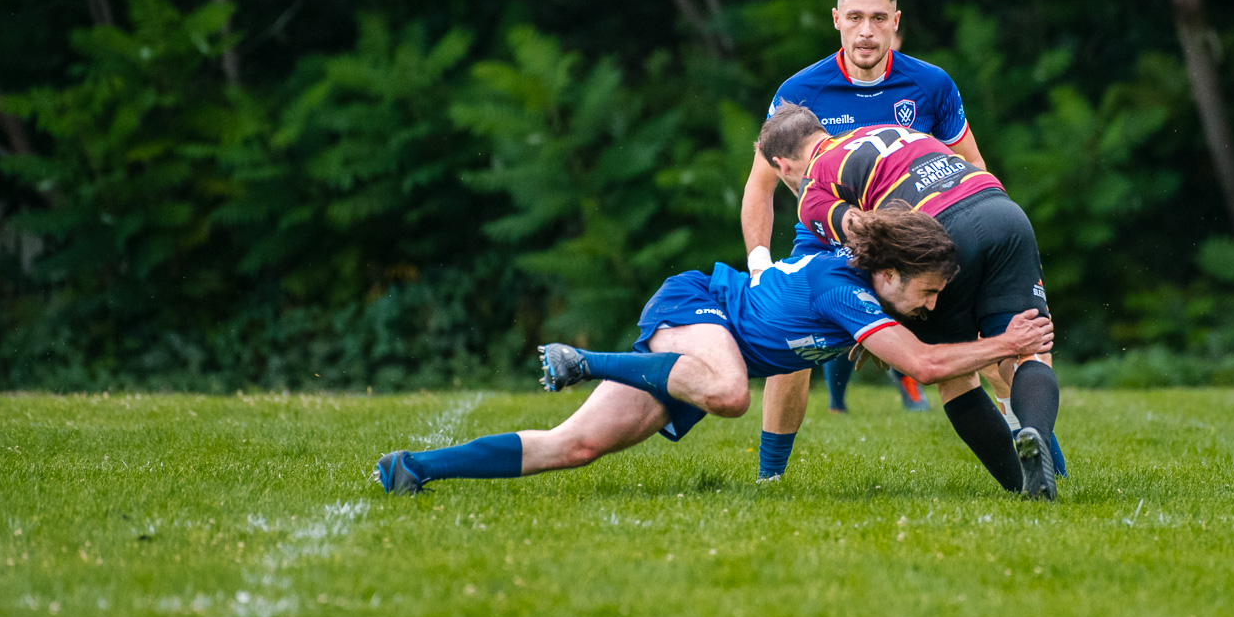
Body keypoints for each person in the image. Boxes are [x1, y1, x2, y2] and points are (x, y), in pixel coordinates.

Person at [371, 208, 1052, 496]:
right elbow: (927, 367)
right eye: (929, 294)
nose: (934, 307)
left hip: (702, 346)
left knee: (571, 446)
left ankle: (414, 469)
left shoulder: (864, 283)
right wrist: (1011, 343)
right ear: (890, 274)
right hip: (697, 311)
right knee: (729, 394)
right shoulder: (847, 291)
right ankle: (586, 360)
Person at [740, 0, 988, 464]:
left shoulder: (931, 85)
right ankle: (769, 479)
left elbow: (973, 167)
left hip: (914, 249)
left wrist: (993, 242)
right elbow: (760, 186)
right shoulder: (800, 92)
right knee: (789, 348)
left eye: (878, 18)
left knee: (983, 338)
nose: (866, 31)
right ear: (836, 19)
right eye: (855, 17)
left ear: (896, 22)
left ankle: (1037, 455)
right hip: (828, 246)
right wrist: (760, 266)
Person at [758, 102, 1067, 499]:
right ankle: (1035, 435)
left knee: (956, 376)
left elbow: (864, 233)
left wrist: (872, 321)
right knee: (1027, 345)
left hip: (941, 231)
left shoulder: (813, 183)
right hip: (1003, 211)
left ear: (782, 165)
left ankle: (1025, 487)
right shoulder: (887, 131)